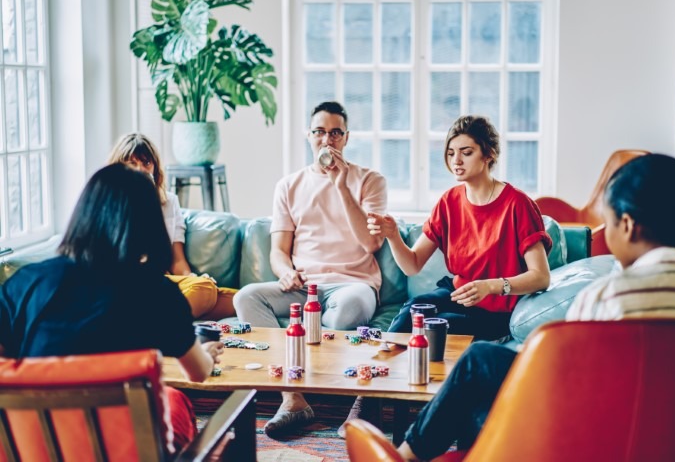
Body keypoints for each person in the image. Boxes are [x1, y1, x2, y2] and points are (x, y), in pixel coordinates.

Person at [392, 153, 675, 461]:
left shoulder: (609, 297)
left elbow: (571, 388)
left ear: (628, 225)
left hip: (600, 440)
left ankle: (407, 454)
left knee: (479, 370)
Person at [0, 164, 225, 453]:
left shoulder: (26, 283)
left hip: (35, 449)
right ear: (149, 225)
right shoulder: (158, 292)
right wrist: (205, 355)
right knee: (176, 401)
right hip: (126, 451)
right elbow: (198, 373)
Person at [232, 101, 387, 436]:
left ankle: (337, 397)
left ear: (346, 138)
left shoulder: (370, 181)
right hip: (303, 287)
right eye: (319, 132)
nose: (326, 141)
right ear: (309, 135)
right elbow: (278, 251)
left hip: (353, 284)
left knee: (347, 309)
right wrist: (285, 271)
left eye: (335, 133)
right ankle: (293, 399)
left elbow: (371, 244)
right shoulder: (289, 185)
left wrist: (341, 185)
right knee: (247, 297)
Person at [369, 114, 552, 339]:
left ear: (489, 155)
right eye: (451, 153)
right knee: (413, 312)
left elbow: (541, 277)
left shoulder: (518, 205)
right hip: (457, 293)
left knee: (437, 328)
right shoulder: (449, 201)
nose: (456, 161)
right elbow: (412, 265)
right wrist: (393, 235)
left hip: (497, 310)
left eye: (466, 153)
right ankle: (384, 367)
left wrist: (491, 286)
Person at [108, 133, 237, 320]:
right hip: (129, 284)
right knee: (205, 289)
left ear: (155, 168)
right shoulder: (109, 204)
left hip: (163, 282)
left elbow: (177, 262)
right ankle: (158, 326)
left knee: (240, 298)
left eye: (146, 163)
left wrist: (192, 278)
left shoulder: (169, 203)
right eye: (133, 163)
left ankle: (153, 321)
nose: (141, 170)